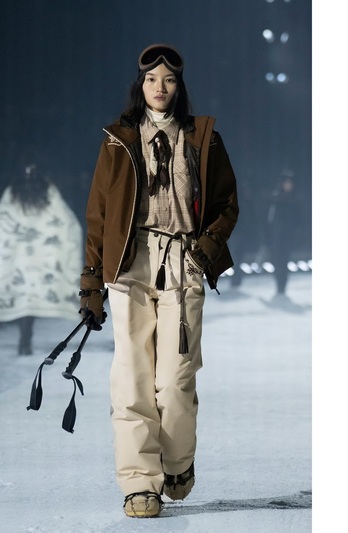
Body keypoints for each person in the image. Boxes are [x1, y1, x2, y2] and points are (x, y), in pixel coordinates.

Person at [79, 43, 239, 518]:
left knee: (174, 381)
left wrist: (205, 249)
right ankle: (139, 485)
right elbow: (98, 215)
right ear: (141, 84)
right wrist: (91, 284)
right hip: (129, 266)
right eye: (152, 79)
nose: (160, 87)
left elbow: (227, 204)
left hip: (182, 262)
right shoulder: (117, 140)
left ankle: (177, 464)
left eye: (168, 79)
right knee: (131, 379)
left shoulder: (203, 138)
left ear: (179, 85)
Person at [0, 158, 83, 355]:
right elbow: (64, 218)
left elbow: (5, 218)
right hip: (35, 255)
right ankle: (25, 338)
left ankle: (25, 338)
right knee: (28, 296)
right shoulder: (45, 190)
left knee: (25, 298)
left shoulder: (15, 191)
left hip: (24, 255)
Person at [266, 171, 302, 296]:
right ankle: (279, 283)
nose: (288, 185)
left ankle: (282, 285)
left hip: (288, 236)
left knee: (284, 260)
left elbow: (298, 219)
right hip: (276, 236)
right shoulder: (276, 200)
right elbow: (270, 219)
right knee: (276, 261)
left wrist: (296, 234)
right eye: (286, 183)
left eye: (289, 183)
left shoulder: (294, 200)